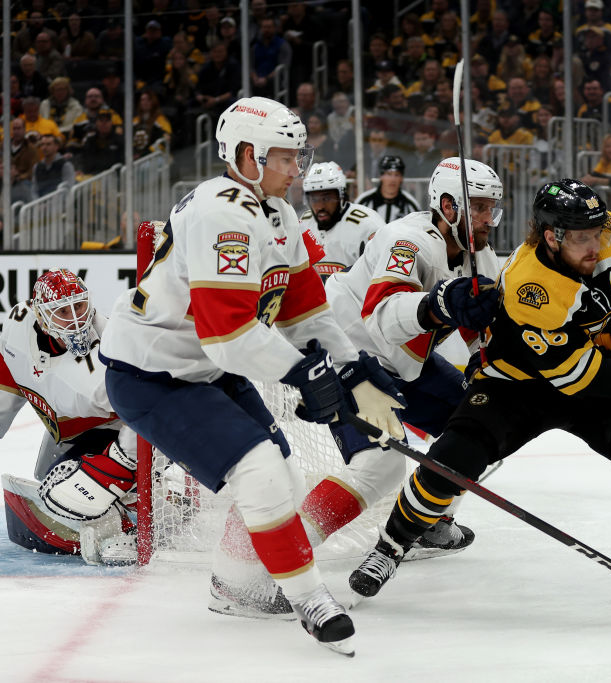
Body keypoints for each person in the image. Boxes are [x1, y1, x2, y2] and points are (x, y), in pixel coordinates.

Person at [348, 179, 611, 607]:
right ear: (552, 237)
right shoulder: (532, 284)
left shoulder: (610, 236)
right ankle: (388, 549)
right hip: (516, 382)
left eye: (597, 233)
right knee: (454, 457)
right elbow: (576, 376)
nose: (595, 246)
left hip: (585, 367)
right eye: (583, 239)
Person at [98, 96, 406, 655]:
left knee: (282, 475)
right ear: (247, 156)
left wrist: (351, 369)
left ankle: (234, 583)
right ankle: (309, 600)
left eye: (298, 156)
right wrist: (304, 374)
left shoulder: (278, 213)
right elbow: (228, 337)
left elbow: (306, 313)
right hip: (152, 374)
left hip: (204, 369)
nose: (299, 169)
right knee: (260, 469)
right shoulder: (221, 215)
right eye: (287, 158)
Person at [222, 158, 504, 620]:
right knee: (381, 463)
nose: (489, 220)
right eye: (479, 208)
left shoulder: (483, 257)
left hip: (402, 363)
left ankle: (429, 520)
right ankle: (267, 563)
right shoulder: (409, 241)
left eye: (493, 209)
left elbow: (481, 334)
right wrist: (441, 303)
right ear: (448, 205)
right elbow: (384, 317)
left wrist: (486, 363)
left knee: (479, 426)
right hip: (347, 350)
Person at [0, 269, 138, 566]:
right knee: (47, 479)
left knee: (66, 493)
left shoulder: (110, 359)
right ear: (41, 315)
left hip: (122, 432)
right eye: (63, 310)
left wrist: (121, 462)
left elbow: (152, 409)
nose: (75, 318)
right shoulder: (18, 325)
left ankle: (136, 514)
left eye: (79, 306)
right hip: (72, 431)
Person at [299, 161, 386, 278]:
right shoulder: (305, 223)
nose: (320, 206)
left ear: (342, 196)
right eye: (314, 199)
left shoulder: (367, 225)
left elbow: (382, 275)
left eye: (327, 198)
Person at [354, 155, 420, 223]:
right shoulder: (364, 201)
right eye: (389, 174)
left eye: (397, 175)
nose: (393, 179)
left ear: (401, 178)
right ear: (380, 176)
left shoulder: (411, 204)